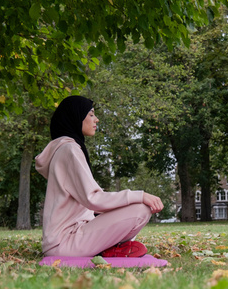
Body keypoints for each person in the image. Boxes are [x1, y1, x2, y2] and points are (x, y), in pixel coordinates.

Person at [35, 95, 163, 257]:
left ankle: (111, 248)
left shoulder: (65, 150)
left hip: (68, 238)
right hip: (64, 243)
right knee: (141, 209)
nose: (96, 119)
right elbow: (93, 199)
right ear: (76, 117)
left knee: (134, 208)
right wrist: (140, 195)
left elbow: (88, 206)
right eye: (91, 114)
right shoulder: (69, 150)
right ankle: (111, 248)